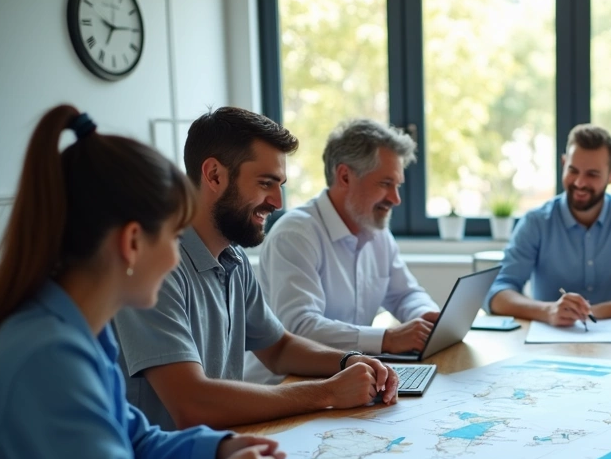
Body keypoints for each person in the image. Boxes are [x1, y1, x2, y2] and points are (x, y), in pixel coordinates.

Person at [0, 105, 285, 459]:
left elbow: (136, 439)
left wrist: (218, 449)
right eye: (170, 238)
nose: (177, 257)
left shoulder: (81, 330)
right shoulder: (47, 357)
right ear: (131, 243)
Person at [113, 107, 398, 430]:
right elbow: (192, 405)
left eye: (280, 185)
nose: (277, 202)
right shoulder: (156, 267)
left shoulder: (233, 259)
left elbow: (278, 348)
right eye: (266, 183)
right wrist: (327, 392)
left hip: (217, 448)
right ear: (215, 175)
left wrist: (349, 361)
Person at [246, 119, 438, 384]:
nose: (396, 199)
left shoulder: (377, 231)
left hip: (346, 381)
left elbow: (405, 294)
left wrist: (426, 317)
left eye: (398, 186)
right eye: (385, 184)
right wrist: (388, 339)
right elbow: (300, 327)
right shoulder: (295, 235)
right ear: (345, 176)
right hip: (285, 388)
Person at [485, 124, 611, 326]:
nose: (580, 183)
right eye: (573, 170)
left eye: (592, 174)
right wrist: (548, 311)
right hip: (548, 343)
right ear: (564, 163)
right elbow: (496, 292)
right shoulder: (536, 221)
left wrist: (589, 313)